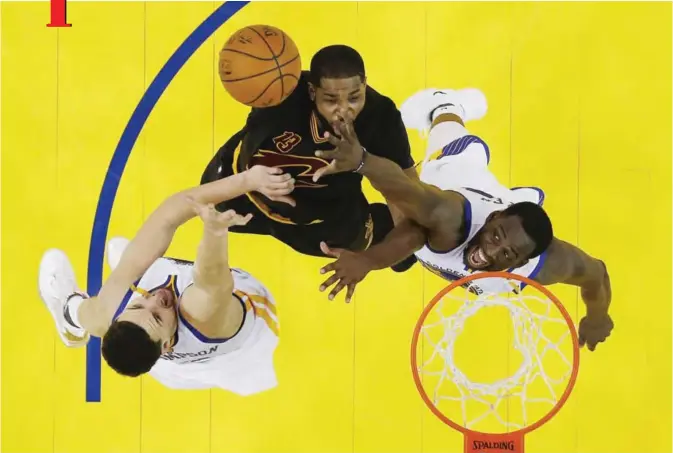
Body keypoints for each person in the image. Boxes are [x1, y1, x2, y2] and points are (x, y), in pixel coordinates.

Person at [312, 87, 614, 352]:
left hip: (503, 210)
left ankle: (515, 200)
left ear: (521, 264)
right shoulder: (447, 214)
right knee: (465, 149)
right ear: (493, 219)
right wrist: (361, 161)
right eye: (495, 237)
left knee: (418, 242)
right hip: (455, 175)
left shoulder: (544, 266)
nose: (491, 252)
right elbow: (401, 186)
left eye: (507, 254)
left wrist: (598, 316)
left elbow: (595, 273)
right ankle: (446, 104)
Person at [38, 165, 293, 395]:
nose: (155, 298)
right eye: (158, 315)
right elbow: (211, 276)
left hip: (157, 346)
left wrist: (249, 180)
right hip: (242, 349)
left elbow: (172, 211)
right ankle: (135, 276)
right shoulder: (201, 314)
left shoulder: (120, 313)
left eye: (138, 305)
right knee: (119, 296)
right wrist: (215, 232)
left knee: (97, 315)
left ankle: (69, 318)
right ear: (168, 344)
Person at [201, 44, 417, 271]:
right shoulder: (280, 92)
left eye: (354, 98)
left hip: (322, 218)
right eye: (331, 100)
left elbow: (406, 190)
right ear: (312, 91)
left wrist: (389, 253)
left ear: (364, 84)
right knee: (209, 210)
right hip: (245, 192)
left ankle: (379, 226)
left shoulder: (381, 117)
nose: (344, 110)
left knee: (389, 250)